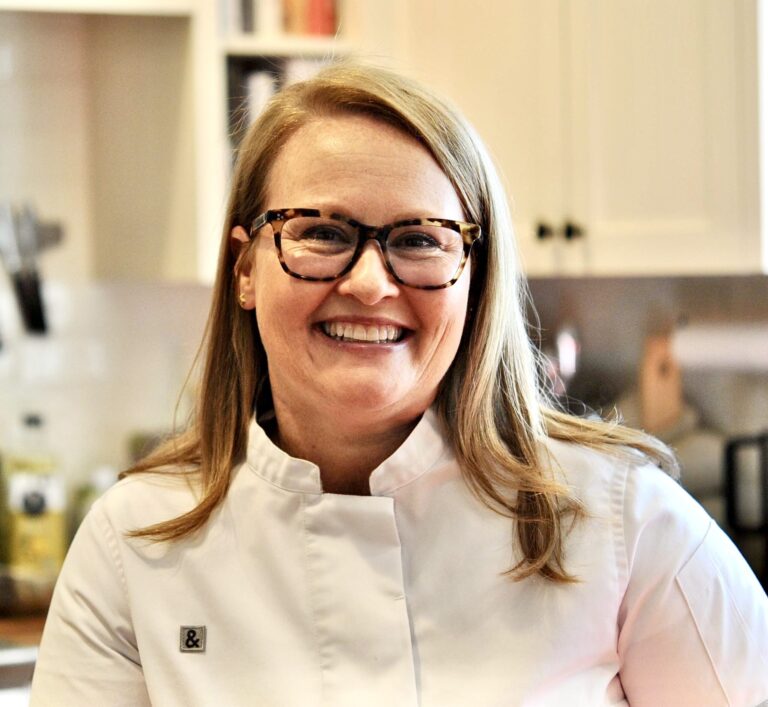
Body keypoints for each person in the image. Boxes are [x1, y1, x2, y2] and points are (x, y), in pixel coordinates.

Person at [31, 62, 767, 706]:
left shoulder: (625, 524)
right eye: (320, 231)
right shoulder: (133, 544)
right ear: (246, 267)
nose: (369, 281)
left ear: (475, 280)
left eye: (419, 239)